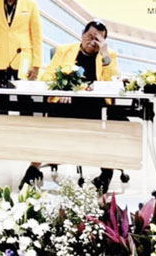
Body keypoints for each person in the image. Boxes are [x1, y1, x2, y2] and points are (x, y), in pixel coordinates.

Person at [36, 20, 120, 192]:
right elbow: (47, 77)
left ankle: (107, 172)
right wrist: (63, 90)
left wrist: (104, 55)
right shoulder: (63, 51)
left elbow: (113, 82)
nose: (93, 42)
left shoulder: (108, 56)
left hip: (95, 105)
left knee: (111, 126)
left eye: (98, 39)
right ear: (82, 35)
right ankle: (33, 169)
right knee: (46, 126)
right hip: (65, 103)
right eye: (90, 37)